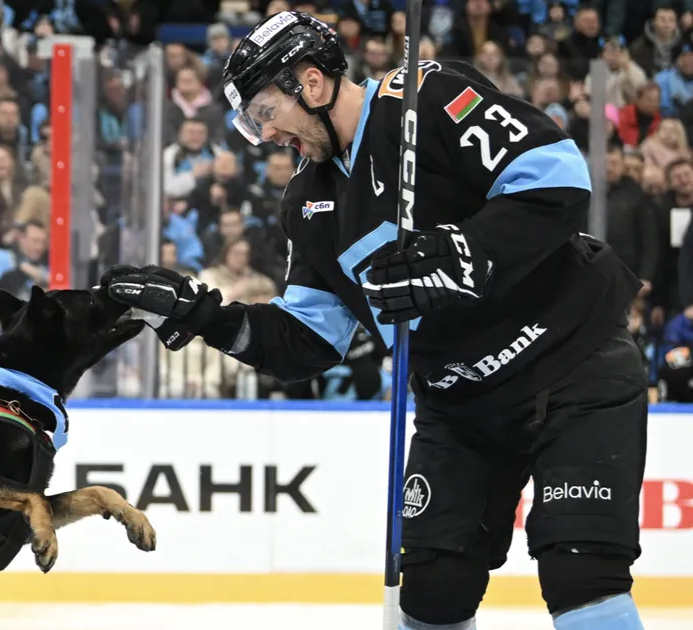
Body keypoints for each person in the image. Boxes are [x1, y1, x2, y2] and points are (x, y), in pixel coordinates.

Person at [102, 12, 647, 630]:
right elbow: (307, 340)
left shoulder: (425, 99)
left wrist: (461, 251)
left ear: (310, 83)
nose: (267, 135)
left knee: (581, 575)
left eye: (264, 112)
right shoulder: (306, 207)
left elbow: (556, 177)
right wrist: (205, 318)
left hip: (571, 364)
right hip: (461, 408)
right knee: (432, 594)